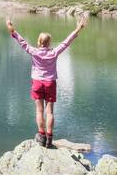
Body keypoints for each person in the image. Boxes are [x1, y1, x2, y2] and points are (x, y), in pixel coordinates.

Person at [5, 13, 88, 147]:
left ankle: (41, 135)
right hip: (50, 83)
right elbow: (67, 41)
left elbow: (21, 41)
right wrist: (78, 28)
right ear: (49, 43)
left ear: (38, 42)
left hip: (37, 82)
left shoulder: (33, 51)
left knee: (39, 111)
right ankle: (49, 138)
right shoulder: (54, 52)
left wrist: (10, 26)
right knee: (49, 111)